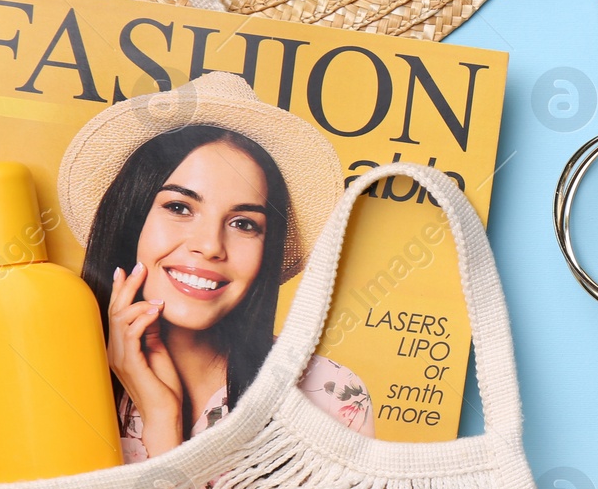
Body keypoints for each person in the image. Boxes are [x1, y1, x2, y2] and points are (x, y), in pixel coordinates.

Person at [58, 72, 372, 462]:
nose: (210, 246)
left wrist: (164, 422)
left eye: (244, 224)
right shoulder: (51, 384)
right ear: (130, 219)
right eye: (179, 207)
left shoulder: (326, 393)